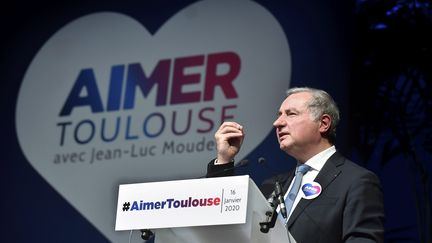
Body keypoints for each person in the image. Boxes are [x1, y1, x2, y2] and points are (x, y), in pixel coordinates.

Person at [206, 87, 384, 243]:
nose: (277, 123)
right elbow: (222, 225)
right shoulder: (271, 187)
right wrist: (224, 160)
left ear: (323, 124)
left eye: (290, 114)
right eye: (279, 115)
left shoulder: (356, 181)